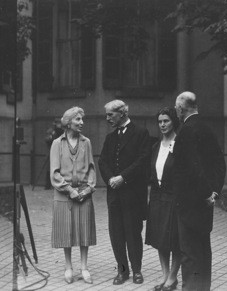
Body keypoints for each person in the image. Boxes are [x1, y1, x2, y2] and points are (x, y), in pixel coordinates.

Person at [173, 91, 226, 291]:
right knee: (204, 251)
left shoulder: (185, 131)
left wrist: (206, 193)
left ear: (180, 109)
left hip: (190, 204)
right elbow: (220, 164)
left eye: (176, 109)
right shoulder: (207, 129)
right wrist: (214, 193)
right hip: (206, 203)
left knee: (189, 254)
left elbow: (192, 168)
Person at [98, 99, 151, 285]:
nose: (107, 118)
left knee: (133, 233)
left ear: (123, 113)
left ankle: (136, 271)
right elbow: (102, 162)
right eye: (106, 115)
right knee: (116, 234)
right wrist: (111, 179)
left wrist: (123, 177)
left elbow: (143, 160)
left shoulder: (141, 133)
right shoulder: (110, 138)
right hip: (114, 195)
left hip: (133, 194)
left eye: (110, 114)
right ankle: (122, 271)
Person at [49, 107, 97, 284]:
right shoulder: (57, 144)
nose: (81, 123)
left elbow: (92, 168)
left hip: (84, 193)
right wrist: (70, 190)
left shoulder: (86, 142)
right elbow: (54, 173)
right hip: (64, 195)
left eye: (81, 120)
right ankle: (68, 267)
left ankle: (84, 267)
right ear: (68, 123)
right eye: (78, 120)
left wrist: (88, 189)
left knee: (84, 231)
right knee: (66, 231)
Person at [145, 107, 182, 291]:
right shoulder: (155, 147)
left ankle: (173, 278)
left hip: (174, 197)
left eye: (166, 121)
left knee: (174, 239)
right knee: (160, 239)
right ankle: (165, 275)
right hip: (158, 197)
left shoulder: (180, 144)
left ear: (173, 121)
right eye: (160, 121)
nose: (162, 124)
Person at [45, 118, 64, 190]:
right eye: (58, 124)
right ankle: (48, 185)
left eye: (60, 124)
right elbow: (47, 140)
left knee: (61, 169)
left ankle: (59, 185)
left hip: (60, 152)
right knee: (49, 169)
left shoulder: (63, 132)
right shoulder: (51, 131)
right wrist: (52, 136)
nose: (59, 125)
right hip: (51, 152)